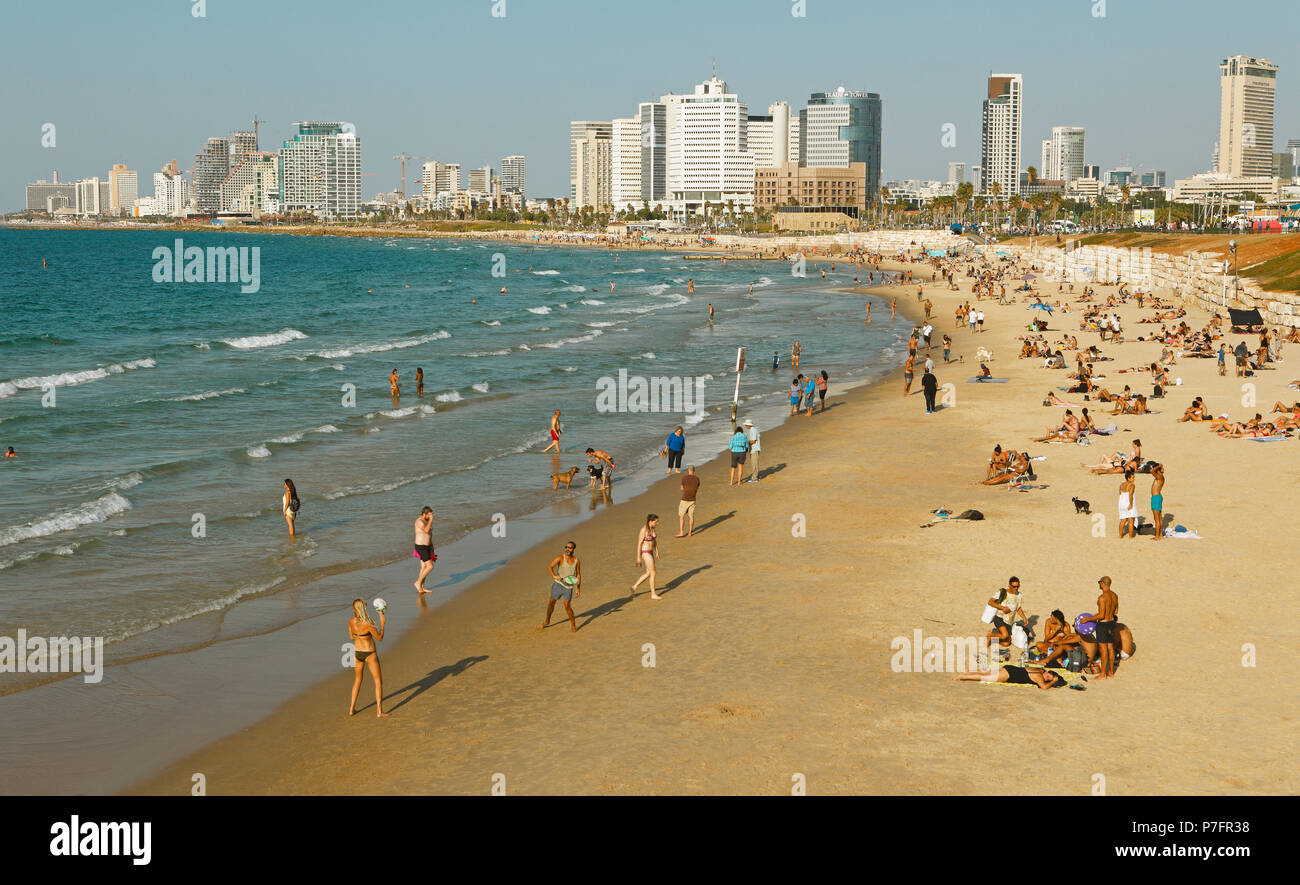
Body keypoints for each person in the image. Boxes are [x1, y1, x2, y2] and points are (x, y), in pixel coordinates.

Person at [348, 599, 388, 718]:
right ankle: (379, 711)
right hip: (370, 653)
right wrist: (382, 624)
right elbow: (380, 638)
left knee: (357, 680)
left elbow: (351, 636)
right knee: (377, 681)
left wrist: (360, 635)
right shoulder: (369, 623)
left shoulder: (350, 621)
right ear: (364, 608)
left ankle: (351, 709)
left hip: (357, 653)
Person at [1078, 577, 1119, 679]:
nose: (1098, 584)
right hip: (1111, 623)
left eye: (1099, 582)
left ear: (1102, 583)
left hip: (1103, 625)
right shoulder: (1115, 596)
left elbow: (1101, 616)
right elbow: (1116, 611)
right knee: (1111, 648)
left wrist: (1088, 619)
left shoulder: (1102, 598)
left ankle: (1103, 674)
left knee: (1103, 650)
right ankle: (1110, 672)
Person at [540, 541, 581, 632]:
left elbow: (578, 574)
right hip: (558, 585)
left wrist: (578, 588)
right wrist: (554, 576)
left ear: (574, 549)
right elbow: (550, 567)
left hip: (568, 587)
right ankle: (547, 621)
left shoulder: (576, 561)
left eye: (570, 547)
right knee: (551, 603)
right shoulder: (560, 558)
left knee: (567, 606)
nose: (567, 549)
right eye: (566, 547)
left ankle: (573, 625)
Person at [986, 577, 1025, 652]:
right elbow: (990, 602)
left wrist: (1024, 618)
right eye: (1014, 586)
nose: (1016, 588)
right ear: (1009, 585)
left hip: (1009, 621)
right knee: (1005, 635)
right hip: (999, 617)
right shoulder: (1002, 592)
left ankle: (995, 637)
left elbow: (1018, 608)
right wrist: (1002, 608)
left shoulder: (1019, 595)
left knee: (1006, 643)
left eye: (1018, 586)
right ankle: (990, 636)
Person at [632, 514, 662, 600]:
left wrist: (657, 551)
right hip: (645, 553)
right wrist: (638, 558)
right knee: (653, 573)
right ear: (650, 521)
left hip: (651, 552)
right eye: (656, 522)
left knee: (648, 573)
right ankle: (653, 594)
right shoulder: (643, 530)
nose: (657, 523)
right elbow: (639, 544)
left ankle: (634, 587)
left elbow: (654, 541)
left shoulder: (652, 529)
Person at [955, 666, 1064, 689]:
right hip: (1010, 675)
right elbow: (1044, 687)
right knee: (987, 677)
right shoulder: (1039, 676)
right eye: (1048, 676)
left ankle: (969, 671)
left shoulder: (1040, 670)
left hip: (1011, 669)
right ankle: (964, 676)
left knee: (988, 673)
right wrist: (1053, 681)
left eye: (1048, 679)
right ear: (1048, 672)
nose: (1046, 678)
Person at [413, 506, 436, 594]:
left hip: (427, 547)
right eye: (429, 515)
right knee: (430, 566)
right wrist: (431, 520)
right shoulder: (419, 521)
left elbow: (429, 534)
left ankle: (421, 588)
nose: (431, 516)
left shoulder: (427, 521)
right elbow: (426, 531)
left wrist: (431, 547)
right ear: (424, 514)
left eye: (431, 515)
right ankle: (418, 582)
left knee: (424, 567)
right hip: (421, 547)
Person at [677, 466, 700, 537]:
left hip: (685, 499)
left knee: (681, 516)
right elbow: (696, 488)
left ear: (688, 470)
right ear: (694, 471)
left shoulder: (684, 478)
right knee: (691, 516)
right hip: (693, 499)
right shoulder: (697, 479)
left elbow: (682, 488)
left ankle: (681, 532)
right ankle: (690, 532)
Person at [1118, 469, 1137, 539]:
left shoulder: (1121, 484)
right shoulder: (1132, 485)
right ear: (1128, 478)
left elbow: (1120, 493)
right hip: (1128, 503)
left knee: (1123, 520)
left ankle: (1120, 536)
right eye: (1132, 477)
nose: (1134, 479)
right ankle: (1130, 537)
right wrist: (1131, 504)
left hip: (1121, 503)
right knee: (1131, 521)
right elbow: (1130, 495)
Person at [1149, 463, 1165, 541]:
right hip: (1157, 497)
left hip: (1156, 498)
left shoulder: (1159, 476)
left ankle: (1157, 536)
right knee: (1160, 518)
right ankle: (1160, 534)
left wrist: (1158, 466)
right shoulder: (1160, 477)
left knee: (1157, 519)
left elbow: (1151, 471)